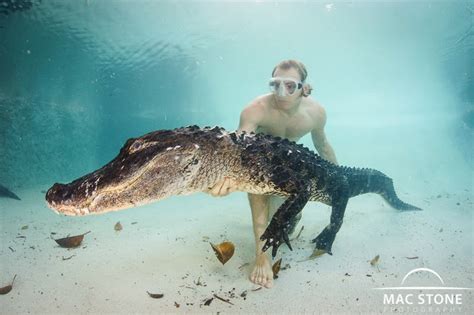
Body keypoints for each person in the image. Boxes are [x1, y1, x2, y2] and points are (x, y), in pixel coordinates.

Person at [207, 60, 338, 288]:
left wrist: (337, 179)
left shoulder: (316, 113)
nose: (281, 93)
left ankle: (293, 215)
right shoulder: (255, 110)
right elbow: (237, 148)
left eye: (290, 86)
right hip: (258, 159)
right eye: (275, 85)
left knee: (284, 211)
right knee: (258, 195)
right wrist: (226, 178)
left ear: (304, 88)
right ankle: (262, 256)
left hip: (289, 164)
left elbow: (323, 146)